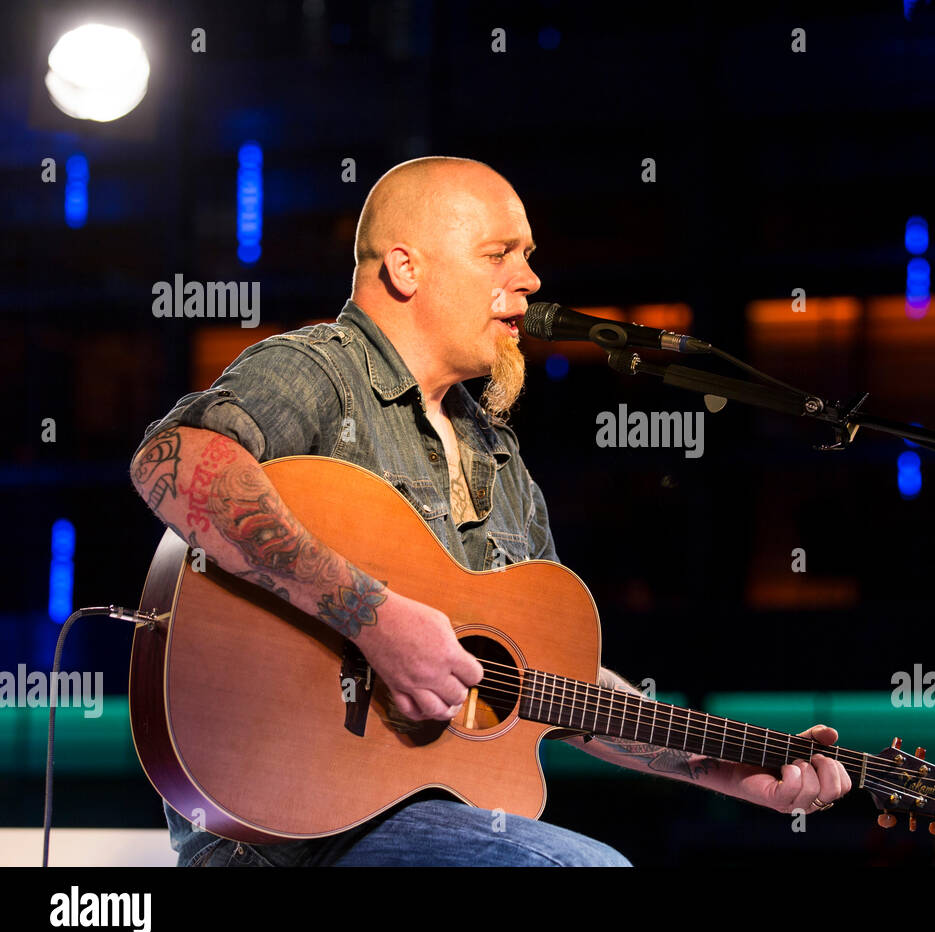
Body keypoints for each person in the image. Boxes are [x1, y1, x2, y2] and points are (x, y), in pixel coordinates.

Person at [129, 156, 851, 866]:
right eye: (499, 253)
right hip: (277, 830)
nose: (531, 281)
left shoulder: (494, 448)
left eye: (529, 256)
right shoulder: (321, 370)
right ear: (408, 269)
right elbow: (174, 461)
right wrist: (373, 618)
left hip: (423, 819)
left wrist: (720, 767)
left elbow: (551, 678)